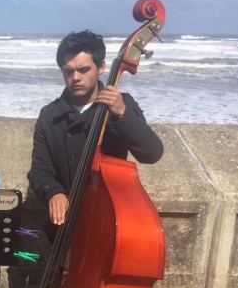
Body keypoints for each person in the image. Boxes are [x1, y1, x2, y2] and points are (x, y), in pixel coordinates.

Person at [27, 30, 163, 239]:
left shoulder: (122, 104)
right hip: (65, 228)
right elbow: (39, 169)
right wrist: (53, 192)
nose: (75, 78)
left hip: (109, 224)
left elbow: (152, 154)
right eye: (68, 71)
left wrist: (121, 113)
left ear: (101, 67)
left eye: (83, 70)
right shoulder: (49, 115)